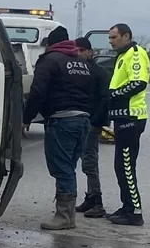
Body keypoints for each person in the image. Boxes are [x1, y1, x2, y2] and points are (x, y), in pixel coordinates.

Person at [22, 26, 96, 230]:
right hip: (83, 121)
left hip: (62, 121)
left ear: (51, 44)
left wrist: (26, 118)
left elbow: (38, 92)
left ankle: (64, 216)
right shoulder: (82, 63)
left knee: (62, 168)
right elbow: (93, 92)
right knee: (69, 168)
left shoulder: (50, 60)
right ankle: (68, 216)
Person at [106, 22, 150, 226]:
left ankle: (135, 212)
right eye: (110, 38)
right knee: (120, 167)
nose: (111, 41)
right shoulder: (122, 56)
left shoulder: (134, 53)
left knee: (126, 167)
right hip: (122, 117)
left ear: (126, 36)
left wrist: (112, 96)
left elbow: (138, 82)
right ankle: (127, 207)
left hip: (131, 117)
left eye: (114, 37)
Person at [74, 36, 110, 218]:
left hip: (92, 122)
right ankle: (90, 197)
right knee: (83, 160)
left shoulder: (99, 72)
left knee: (89, 161)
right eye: (76, 51)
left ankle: (97, 201)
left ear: (90, 52)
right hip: (80, 119)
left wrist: (95, 120)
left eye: (82, 50)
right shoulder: (78, 70)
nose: (78, 54)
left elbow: (105, 99)